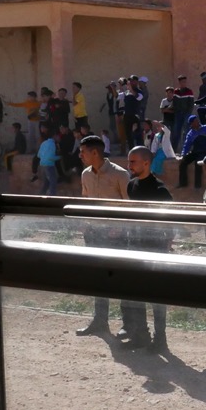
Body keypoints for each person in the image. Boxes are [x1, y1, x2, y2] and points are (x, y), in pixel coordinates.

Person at [74, 135, 132, 338]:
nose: (80, 155)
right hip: (93, 234)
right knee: (97, 279)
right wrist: (83, 223)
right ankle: (100, 321)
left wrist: (121, 229)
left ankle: (128, 325)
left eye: (83, 151)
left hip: (116, 236)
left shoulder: (120, 174)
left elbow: (131, 206)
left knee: (122, 280)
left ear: (95, 152)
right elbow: (85, 200)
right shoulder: (86, 175)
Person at [123, 145, 173, 350]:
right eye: (129, 161)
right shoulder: (131, 185)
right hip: (134, 246)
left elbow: (171, 223)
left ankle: (160, 339)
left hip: (155, 248)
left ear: (146, 163)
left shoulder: (160, 191)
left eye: (133, 161)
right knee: (137, 294)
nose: (129, 165)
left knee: (156, 295)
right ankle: (140, 335)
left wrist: (166, 245)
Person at [176, 114, 206, 188]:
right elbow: (187, 145)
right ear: (192, 124)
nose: (197, 122)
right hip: (196, 151)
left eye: (197, 120)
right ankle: (183, 183)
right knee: (183, 163)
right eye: (195, 121)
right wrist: (183, 154)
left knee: (198, 164)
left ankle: (197, 185)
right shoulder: (190, 133)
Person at [36, 123, 60, 194]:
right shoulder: (52, 144)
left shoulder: (44, 143)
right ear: (54, 136)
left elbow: (38, 155)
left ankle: (40, 196)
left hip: (42, 166)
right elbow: (51, 158)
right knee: (53, 183)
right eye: (58, 136)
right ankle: (52, 199)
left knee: (46, 184)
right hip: (49, 166)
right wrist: (60, 157)